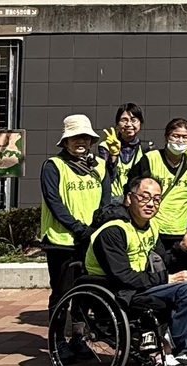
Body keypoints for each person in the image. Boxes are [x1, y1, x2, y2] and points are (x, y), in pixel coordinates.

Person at [84, 176, 187, 366]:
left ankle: (178, 350)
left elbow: (162, 261)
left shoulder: (151, 227)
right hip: (118, 292)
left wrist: (183, 247)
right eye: (144, 197)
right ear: (129, 198)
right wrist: (166, 280)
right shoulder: (113, 231)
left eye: (157, 199)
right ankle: (166, 353)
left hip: (141, 286)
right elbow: (122, 276)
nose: (151, 204)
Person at [41, 114, 111, 314]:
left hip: (90, 239)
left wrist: (94, 228)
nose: (81, 141)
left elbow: (105, 202)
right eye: (75, 137)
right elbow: (54, 202)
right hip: (61, 241)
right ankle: (58, 332)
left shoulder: (100, 165)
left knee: (87, 290)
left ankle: (80, 330)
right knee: (62, 292)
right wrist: (78, 228)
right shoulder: (53, 166)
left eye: (85, 137)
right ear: (65, 141)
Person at [127, 118, 187, 273]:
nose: (180, 141)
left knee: (184, 277)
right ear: (166, 136)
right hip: (154, 231)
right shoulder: (150, 159)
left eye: (185, 137)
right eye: (176, 136)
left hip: (182, 233)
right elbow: (132, 188)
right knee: (155, 274)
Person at [100, 103, 151, 202]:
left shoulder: (147, 148)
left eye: (133, 120)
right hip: (113, 200)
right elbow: (106, 177)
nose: (129, 124)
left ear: (140, 123)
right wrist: (113, 155)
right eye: (124, 120)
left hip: (137, 200)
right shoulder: (105, 146)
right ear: (117, 124)